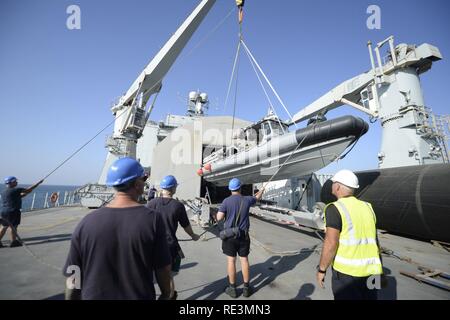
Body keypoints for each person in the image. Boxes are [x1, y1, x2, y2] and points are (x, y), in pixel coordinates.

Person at [63, 157, 172, 300]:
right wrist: (165, 294)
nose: (144, 183)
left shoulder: (86, 222)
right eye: (143, 179)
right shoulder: (153, 220)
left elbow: (74, 272)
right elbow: (163, 268)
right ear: (137, 184)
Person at [316, 169, 383, 300]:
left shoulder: (334, 208)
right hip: (373, 271)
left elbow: (331, 243)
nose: (332, 185)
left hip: (348, 275)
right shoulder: (368, 207)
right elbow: (374, 239)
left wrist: (322, 270)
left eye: (333, 183)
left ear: (338, 186)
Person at [147, 175, 200, 300]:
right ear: (173, 187)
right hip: (169, 246)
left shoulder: (151, 203)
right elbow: (186, 225)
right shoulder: (178, 206)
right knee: (169, 275)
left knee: (151, 274)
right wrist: (193, 235)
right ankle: (170, 296)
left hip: (152, 245)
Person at [216, 178, 265, 298]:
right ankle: (246, 289)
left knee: (231, 261)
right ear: (240, 188)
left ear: (230, 189)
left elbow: (219, 217)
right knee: (244, 260)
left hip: (230, 236)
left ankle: (232, 289)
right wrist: (262, 190)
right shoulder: (247, 199)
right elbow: (256, 198)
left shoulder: (226, 201)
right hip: (243, 236)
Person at [0, 176, 44, 248]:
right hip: (13, 211)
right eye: (15, 181)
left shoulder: (4, 192)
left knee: (4, 227)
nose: (17, 182)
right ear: (11, 182)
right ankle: (13, 242)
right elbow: (28, 190)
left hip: (4, 212)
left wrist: (25, 193)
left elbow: (18, 196)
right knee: (14, 227)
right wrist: (38, 183)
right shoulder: (17, 190)